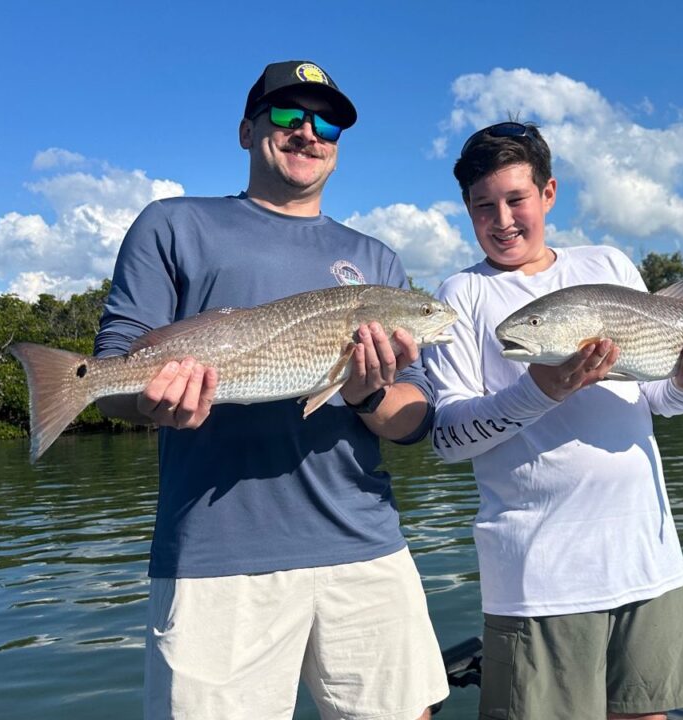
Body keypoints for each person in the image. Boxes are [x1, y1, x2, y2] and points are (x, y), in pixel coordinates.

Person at [94, 60, 448, 720]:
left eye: (329, 122)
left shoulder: (376, 261)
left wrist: (367, 395)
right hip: (215, 558)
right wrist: (149, 400)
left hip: (365, 547)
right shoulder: (172, 224)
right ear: (246, 130)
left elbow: (416, 414)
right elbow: (112, 372)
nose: (309, 132)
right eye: (289, 115)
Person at [423, 122, 683, 720]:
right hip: (539, 579)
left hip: (650, 561)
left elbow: (656, 398)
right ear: (466, 208)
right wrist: (538, 391)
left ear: (549, 193)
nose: (503, 219)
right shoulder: (461, 294)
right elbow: (447, 439)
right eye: (483, 206)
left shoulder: (609, 263)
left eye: (516, 199)